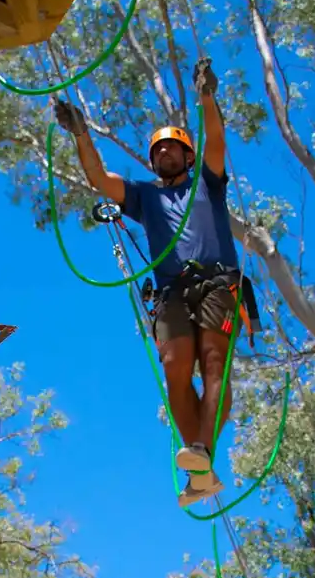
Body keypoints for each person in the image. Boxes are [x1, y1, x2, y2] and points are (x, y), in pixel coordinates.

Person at [55, 57, 251, 508]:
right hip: (171, 293)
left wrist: (206, 97)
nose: (164, 154)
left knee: (214, 363)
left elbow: (217, 140)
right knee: (175, 370)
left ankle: (200, 452)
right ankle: (202, 470)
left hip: (218, 283)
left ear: (187, 155)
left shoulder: (208, 180)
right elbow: (100, 180)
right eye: (157, 151)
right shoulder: (144, 197)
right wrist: (82, 134)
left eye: (172, 148)